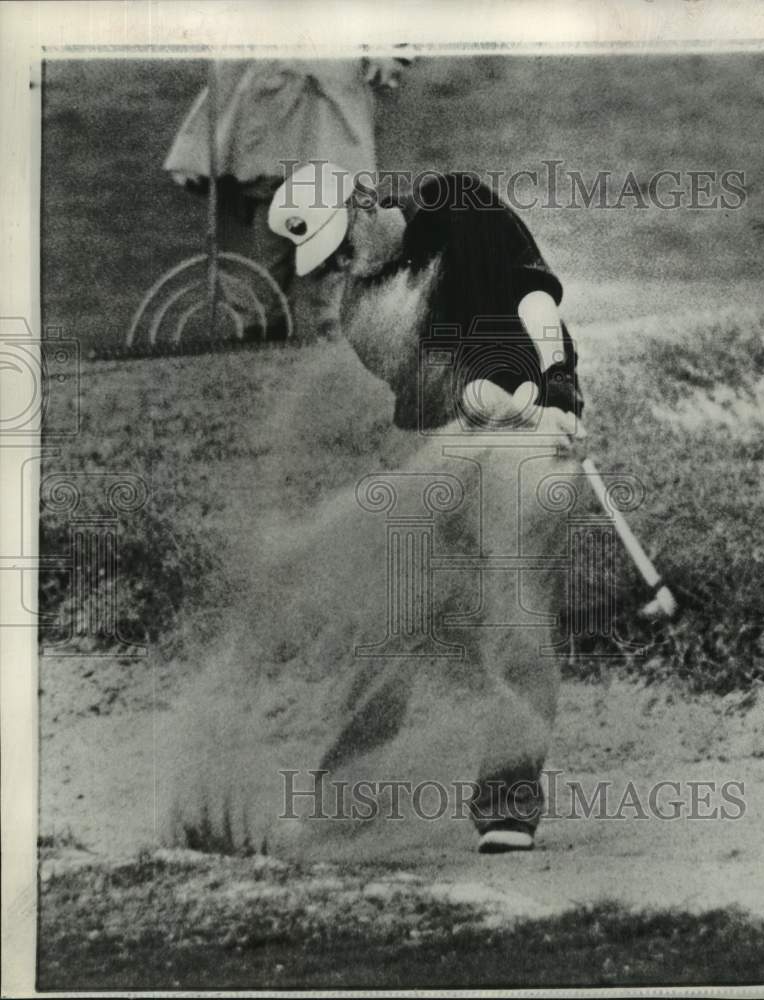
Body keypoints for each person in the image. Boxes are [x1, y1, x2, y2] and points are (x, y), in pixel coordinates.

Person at [268, 162, 587, 853]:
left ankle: (507, 804)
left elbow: (529, 292)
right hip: (453, 450)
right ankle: (343, 804)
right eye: (325, 262)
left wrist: (554, 383)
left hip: (538, 443)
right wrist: (505, 404)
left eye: (340, 245)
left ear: (361, 200)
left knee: (516, 611)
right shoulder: (361, 313)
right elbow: (456, 400)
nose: (340, 267)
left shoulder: (460, 201)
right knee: (388, 625)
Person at [163, 56, 411, 341]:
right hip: (268, 104)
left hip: (326, 107)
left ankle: (330, 326)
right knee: (271, 227)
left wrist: (388, 54)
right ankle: (265, 322)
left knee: (328, 223)